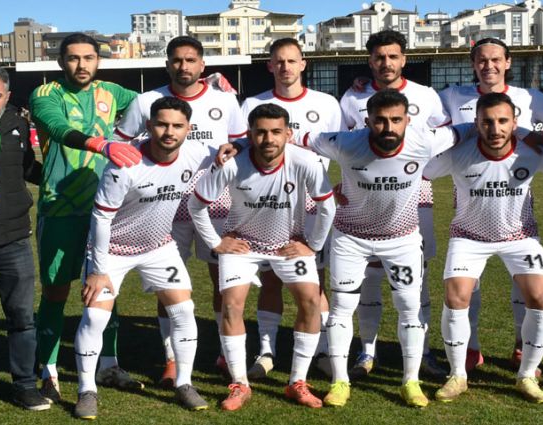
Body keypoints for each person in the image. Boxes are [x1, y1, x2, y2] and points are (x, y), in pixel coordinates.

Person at [424, 92, 543, 404]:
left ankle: (527, 375)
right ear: (476, 124)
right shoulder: (459, 152)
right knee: (456, 296)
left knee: (541, 296)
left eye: (503, 121)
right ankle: (457, 375)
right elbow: (420, 169)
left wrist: (534, 137)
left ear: (515, 123)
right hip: (468, 237)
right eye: (487, 122)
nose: (495, 128)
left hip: (520, 237)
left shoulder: (532, 150)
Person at [115, 35, 246, 387]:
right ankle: (171, 358)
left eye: (190, 60)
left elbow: (240, 142)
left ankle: (224, 353)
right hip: (163, 204)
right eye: (176, 60)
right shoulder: (146, 101)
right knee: (167, 284)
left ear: (203, 65)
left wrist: (231, 150)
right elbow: (119, 146)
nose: (183, 66)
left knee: (222, 281)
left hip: (215, 204)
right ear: (167, 64)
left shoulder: (224, 99)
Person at [74, 96, 213, 419]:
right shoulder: (125, 163)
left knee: (184, 311)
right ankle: (86, 390)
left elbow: (234, 148)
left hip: (158, 247)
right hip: (112, 250)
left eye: (177, 126)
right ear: (149, 125)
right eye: (162, 124)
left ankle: (184, 383)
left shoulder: (197, 153)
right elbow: (101, 218)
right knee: (95, 317)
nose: (169, 132)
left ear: (189, 129)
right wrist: (98, 271)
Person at [189, 103, 335, 410]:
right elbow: (196, 204)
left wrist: (313, 245)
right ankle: (240, 384)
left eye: (276, 131)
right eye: (261, 132)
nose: (269, 139)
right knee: (231, 304)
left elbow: (327, 206)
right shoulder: (231, 163)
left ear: (288, 134)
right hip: (242, 245)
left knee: (311, 300)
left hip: (288, 244)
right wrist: (216, 242)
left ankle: (297, 382)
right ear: (250, 134)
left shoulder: (306, 160)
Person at [30, 33, 143, 403]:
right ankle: (48, 371)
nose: (81, 65)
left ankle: (109, 364)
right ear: (61, 62)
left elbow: (156, 103)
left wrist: (209, 88)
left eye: (88, 58)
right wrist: (99, 143)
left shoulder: (112, 92)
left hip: (105, 209)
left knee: (105, 288)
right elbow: (57, 128)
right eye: (74, 58)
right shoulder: (46, 94)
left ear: (98, 60)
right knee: (56, 291)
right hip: (60, 209)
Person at [437, 37, 543, 373]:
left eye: (495, 60)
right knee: (468, 284)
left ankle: (522, 344)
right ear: (473, 64)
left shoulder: (529, 97)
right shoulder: (452, 96)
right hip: (469, 196)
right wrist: (364, 86)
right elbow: (416, 114)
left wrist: (529, 134)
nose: (488, 66)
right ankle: (471, 346)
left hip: (515, 200)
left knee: (525, 284)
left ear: (508, 62)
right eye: (481, 60)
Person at [339, 29, 449, 379]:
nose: (386, 63)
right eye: (379, 57)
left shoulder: (426, 95)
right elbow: (339, 143)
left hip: (414, 197)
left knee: (418, 279)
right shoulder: (352, 97)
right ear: (369, 61)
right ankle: (366, 351)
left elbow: (445, 137)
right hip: (363, 200)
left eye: (392, 56)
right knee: (368, 277)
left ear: (404, 59)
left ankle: (423, 353)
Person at [240, 37, 345, 379]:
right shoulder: (253, 103)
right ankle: (266, 351)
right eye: (279, 61)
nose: (285, 67)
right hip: (269, 207)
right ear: (270, 66)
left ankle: (324, 351)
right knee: (270, 281)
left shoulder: (327, 104)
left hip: (314, 208)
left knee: (315, 284)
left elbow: (343, 149)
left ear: (303, 64)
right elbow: (242, 150)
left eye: (291, 60)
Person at [0, 64, 49, 410]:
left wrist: (59, 179)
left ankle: (25, 385)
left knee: (22, 319)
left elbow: (26, 166)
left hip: (14, 239)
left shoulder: (17, 123)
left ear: (7, 97)